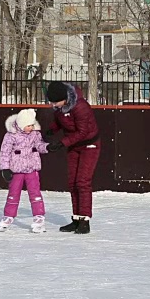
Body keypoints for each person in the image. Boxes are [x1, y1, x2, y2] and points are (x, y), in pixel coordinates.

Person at [44, 81, 100, 234]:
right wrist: (51, 131)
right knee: (72, 182)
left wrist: (62, 143)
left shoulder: (81, 107)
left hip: (89, 145)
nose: (54, 105)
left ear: (65, 98)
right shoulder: (60, 107)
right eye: (52, 102)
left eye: (56, 102)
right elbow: (59, 121)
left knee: (83, 181)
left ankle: (85, 220)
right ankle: (76, 218)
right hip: (73, 145)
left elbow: (82, 132)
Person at [0, 108, 50, 233]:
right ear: (21, 124)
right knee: (13, 192)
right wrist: (5, 168)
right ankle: (9, 215)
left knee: (35, 192)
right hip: (16, 170)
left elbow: (39, 145)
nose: (30, 127)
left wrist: (48, 147)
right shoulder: (11, 135)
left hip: (32, 168)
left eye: (32, 125)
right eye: (28, 125)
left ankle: (39, 216)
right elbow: (4, 152)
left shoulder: (35, 134)